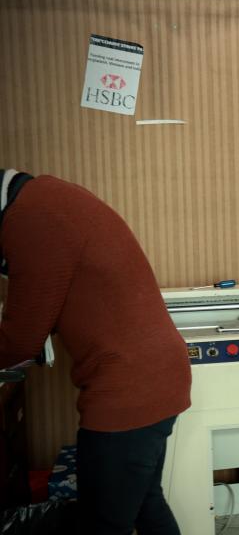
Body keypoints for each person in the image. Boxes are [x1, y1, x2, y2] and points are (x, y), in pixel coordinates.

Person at [0, 169, 192, 534]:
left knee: (103, 524)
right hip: (155, 376)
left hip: (128, 389)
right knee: (144, 503)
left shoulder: (30, 219)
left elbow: (19, 341)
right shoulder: (46, 198)